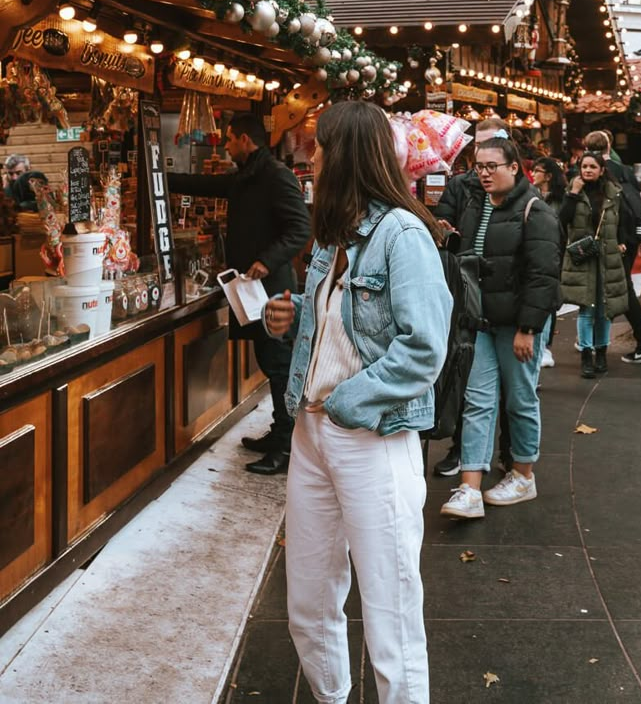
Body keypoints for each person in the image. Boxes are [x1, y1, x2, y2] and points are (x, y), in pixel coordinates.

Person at [263, 100, 452, 704]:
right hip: (313, 433)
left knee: (390, 608)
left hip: (371, 434)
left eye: (319, 145)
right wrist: (288, 320)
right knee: (309, 599)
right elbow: (337, 332)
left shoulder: (402, 234)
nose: (310, 155)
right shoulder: (332, 236)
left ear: (344, 153)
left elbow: (424, 348)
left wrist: (347, 401)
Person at [168, 112, 311, 474]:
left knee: (278, 365)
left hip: (273, 291)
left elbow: (300, 228)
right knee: (269, 362)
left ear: (246, 140)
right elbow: (209, 185)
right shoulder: (249, 175)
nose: (226, 146)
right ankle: (280, 431)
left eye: (229, 139)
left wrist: (266, 260)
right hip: (252, 289)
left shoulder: (275, 176)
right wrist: (162, 178)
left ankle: (286, 445)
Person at [440, 136, 560, 520]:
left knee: (520, 398)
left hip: (516, 325)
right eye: (479, 166)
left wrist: (529, 327)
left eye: (493, 166)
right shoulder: (476, 206)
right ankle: (470, 487)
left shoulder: (535, 211)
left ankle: (523, 475)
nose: (485, 173)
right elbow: (474, 259)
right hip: (482, 321)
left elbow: (543, 276)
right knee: (478, 401)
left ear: (515, 167)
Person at [431, 116, 508, 477]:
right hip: (465, 290)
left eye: (492, 148)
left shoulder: (520, 195)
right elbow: (443, 220)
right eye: (479, 147)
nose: (484, 158)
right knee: (465, 371)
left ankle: (509, 453)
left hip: (503, 297)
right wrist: (443, 229)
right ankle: (463, 449)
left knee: (509, 387)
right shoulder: (461, 186)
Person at [584, 130, 641, 364]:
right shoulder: (624, 169)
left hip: (613, 238)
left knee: (618, 288)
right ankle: (598, 338)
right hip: (630, 236)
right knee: (618, 286)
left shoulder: (593, 173)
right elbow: (638, 201)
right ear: (609, 146)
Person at [559, 152, 629, 378]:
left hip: (607, 257)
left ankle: (602, 351)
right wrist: (573, 193)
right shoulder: (573, 191)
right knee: (586, 308)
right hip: (583, 257)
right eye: (584, 166)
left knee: (605, 309)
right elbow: (562, 219)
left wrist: (622, 241)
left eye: (592, 167)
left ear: (601, 169)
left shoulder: (613, 192)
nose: (587, 170)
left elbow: (622, 220)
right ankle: (586, 355)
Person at [531, 156, 568, 368]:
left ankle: (546, 346)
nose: (533, 174)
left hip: (556, 251)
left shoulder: (560, 199)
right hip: (540, 250)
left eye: (537, 170)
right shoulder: (531, 195)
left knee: (551, 297)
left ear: (548, 176)